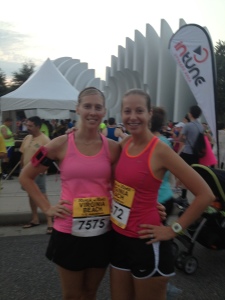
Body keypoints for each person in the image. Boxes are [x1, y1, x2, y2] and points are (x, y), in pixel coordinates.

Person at [19, 87, 166, 300]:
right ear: (77, 108)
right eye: (87, 106)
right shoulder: (59, 144)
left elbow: (129, 180)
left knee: (90, 293)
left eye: (98, 107)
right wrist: (47, 208)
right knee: (72, 295)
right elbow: (26, 176)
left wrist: (150, 205)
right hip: (69, 231)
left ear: (104, 111)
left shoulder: (114, 148)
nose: (92, 112)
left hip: (102, 232)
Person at [110, 89, 215, 300]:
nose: (132, 116)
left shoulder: (160, 149)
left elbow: (205, 194)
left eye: (139, 110)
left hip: (146, 241)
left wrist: (173, 229)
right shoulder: (123, 145)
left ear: (149, 114)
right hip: (119, 237)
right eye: (127, 111)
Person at [19, 116, 53, 234]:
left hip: (39, 173)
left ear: (38, 126)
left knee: (42, 196)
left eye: (30, 126)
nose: (28, 128)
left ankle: (50, 222)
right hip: (27, 174)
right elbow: (23, 155)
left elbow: (50, 158)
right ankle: (35, 219)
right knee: (31, 195)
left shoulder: (45, 140)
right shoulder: (27, 138)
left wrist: (44, 169)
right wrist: (22, 169)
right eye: (27, 125)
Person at [174, 105, 205, 207]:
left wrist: (178, 152)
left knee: (181, 173)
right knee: (191, 175)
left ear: (190, 113)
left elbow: (181, 139)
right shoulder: (201, 126)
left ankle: (181, 194)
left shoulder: (187, 126)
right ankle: (185, 196)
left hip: (186, 152)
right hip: (196, 154)